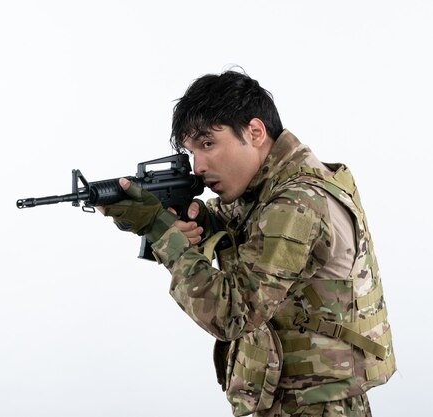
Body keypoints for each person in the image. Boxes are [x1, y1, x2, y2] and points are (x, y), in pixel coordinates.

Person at [101, 69, 395, 417]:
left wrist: (163, 233)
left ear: (255, 132)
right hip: (291, 399)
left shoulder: (297, 202)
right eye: (192, 150)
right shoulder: (269, 186)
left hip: (314, 406)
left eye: (208, 143)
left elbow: (230, 314)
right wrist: (195, 220)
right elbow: (243, 226)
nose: (198, 166)